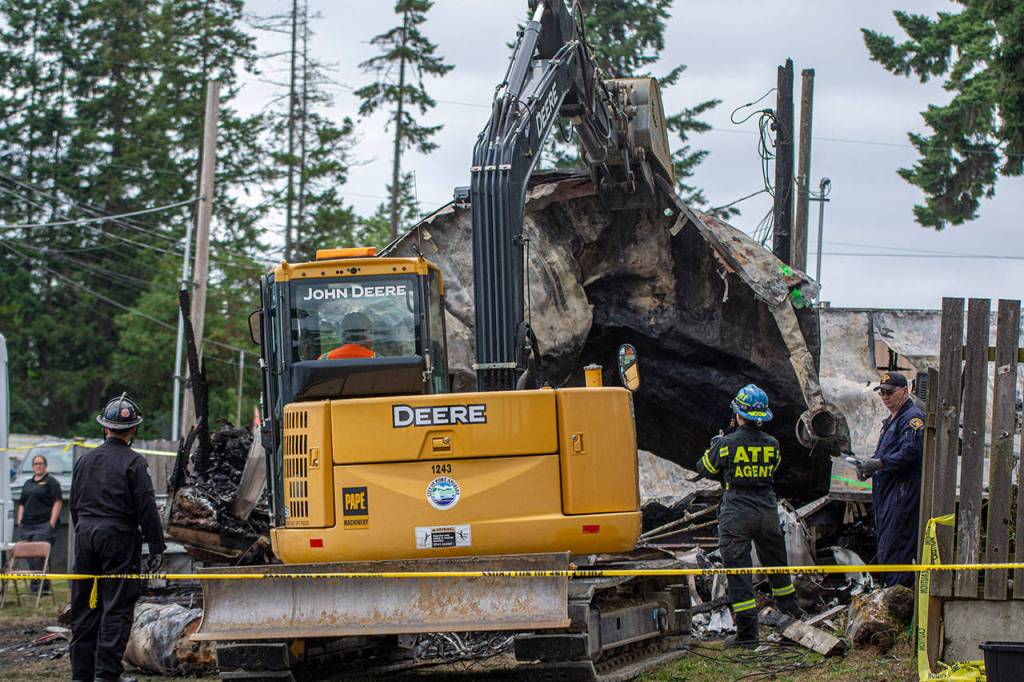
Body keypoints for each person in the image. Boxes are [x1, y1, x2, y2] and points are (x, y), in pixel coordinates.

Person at [697, 384, 805, 646]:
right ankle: (794, 625)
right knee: (778, 570)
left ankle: (747, 637)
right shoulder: (773, 444)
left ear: (738, 414)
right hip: (767, 509)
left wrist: (715, 447)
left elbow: (705, 467)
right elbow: (773, 467)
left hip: (737, 511)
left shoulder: (725, 444)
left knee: (739, 573)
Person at [69, 393, 166, 682]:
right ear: (133, 429)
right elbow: (146, 507)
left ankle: (81, 675)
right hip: (118, 537)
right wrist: (156, 546)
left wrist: (84, 532)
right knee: (116, 607)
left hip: (85, 535)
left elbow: (75, 503)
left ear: (104, 427)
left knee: (84, 608)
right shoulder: (134, 462)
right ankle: (107, 675)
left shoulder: (85, 461)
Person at [851, 371, 925, 588]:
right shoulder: (893, 419)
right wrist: (868, 466)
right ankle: (891, 595)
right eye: (881, 392)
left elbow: (911, 452)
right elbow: (886, 452)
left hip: (901, 495)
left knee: (896, 549)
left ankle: (897, 597)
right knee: (886, 547)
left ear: (905, 391)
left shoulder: (912, 418)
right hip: (887, 494)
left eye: (889, 392)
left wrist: (880, 464)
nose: (884, 397)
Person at [16, 453, 63, 594]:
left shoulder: (51, 482)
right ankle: (37, 587)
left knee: (39, 558)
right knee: (31, 559)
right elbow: (22, 504)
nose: (38, 466)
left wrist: (51, 524)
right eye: (36, 464)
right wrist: (19, 521)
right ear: (32, 467)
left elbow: (58, 502)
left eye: (41, 463)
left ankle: (40, 589)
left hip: (43, 526)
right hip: (27, 526)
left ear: (45, 465)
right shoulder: (28, 483)